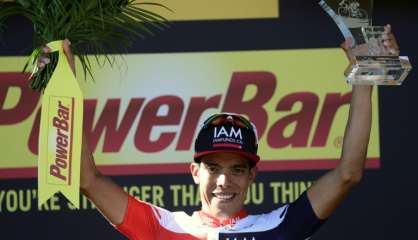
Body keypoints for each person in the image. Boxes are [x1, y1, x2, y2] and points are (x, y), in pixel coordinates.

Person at [37, 24, 399, 239]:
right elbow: (86, 179)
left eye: (237, 168)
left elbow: (348, 173)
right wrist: (62, 85)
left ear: (253, 174)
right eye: (214, 167)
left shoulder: (277, 228)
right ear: (195, 171)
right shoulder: (165, 227)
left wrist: (364, 81)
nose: (225, 181)